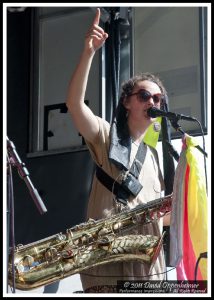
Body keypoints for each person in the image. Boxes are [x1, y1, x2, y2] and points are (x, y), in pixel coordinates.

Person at [66, 8, 171, 293]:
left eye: (158, 98)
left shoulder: (155, 157)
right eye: (145, 96)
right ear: (127, 102)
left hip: (148, 270)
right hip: (107, 266)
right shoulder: (106, 135)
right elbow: (75, 105)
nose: (153, 102)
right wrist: (89, 52)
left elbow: (163, 218)